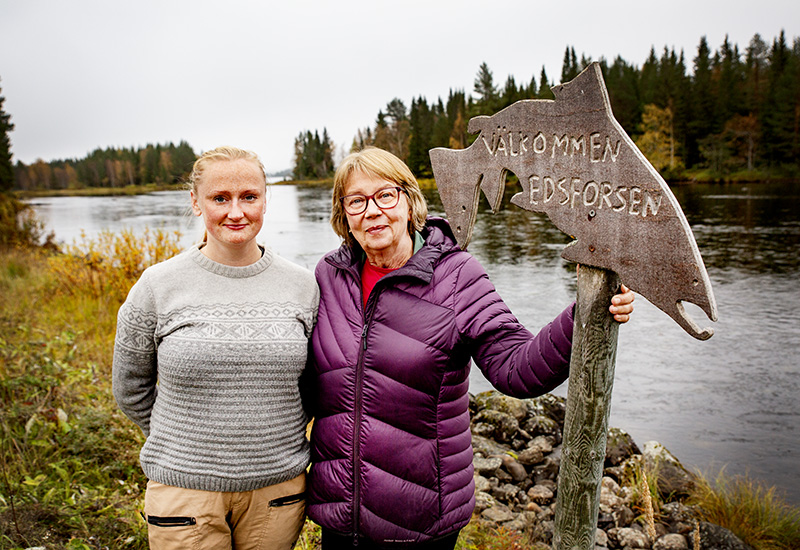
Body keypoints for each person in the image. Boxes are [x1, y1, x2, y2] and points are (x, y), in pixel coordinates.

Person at [304, 147, 634, 549]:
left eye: (385, 195)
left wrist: (584, 314)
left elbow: (516, 368)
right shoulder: (329, 276)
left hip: (420, 517)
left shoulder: (457, 275)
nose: (372, 211)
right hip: (339, 513)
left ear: (409, 202)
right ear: (344, 215)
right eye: (356, 201)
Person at [112, 146, 319, 550]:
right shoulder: (157, 286)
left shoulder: (303, 286)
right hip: (184, 494)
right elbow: (129, 386)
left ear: (265, 199)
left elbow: (316, 382)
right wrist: (185, 442)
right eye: (220, 198)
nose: (236, 212)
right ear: (195, 202)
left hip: (277, 492)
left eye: (249, 197)